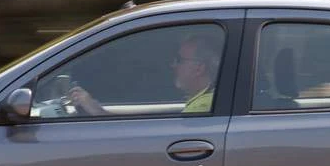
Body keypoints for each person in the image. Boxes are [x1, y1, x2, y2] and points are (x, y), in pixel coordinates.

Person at [69, 33, 222, 115]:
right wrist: (99, 110)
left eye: (179, 60)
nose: (173, 65)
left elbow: (157, 139)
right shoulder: (206, 100)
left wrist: (97, 112)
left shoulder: (201, 107)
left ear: (199, 69)